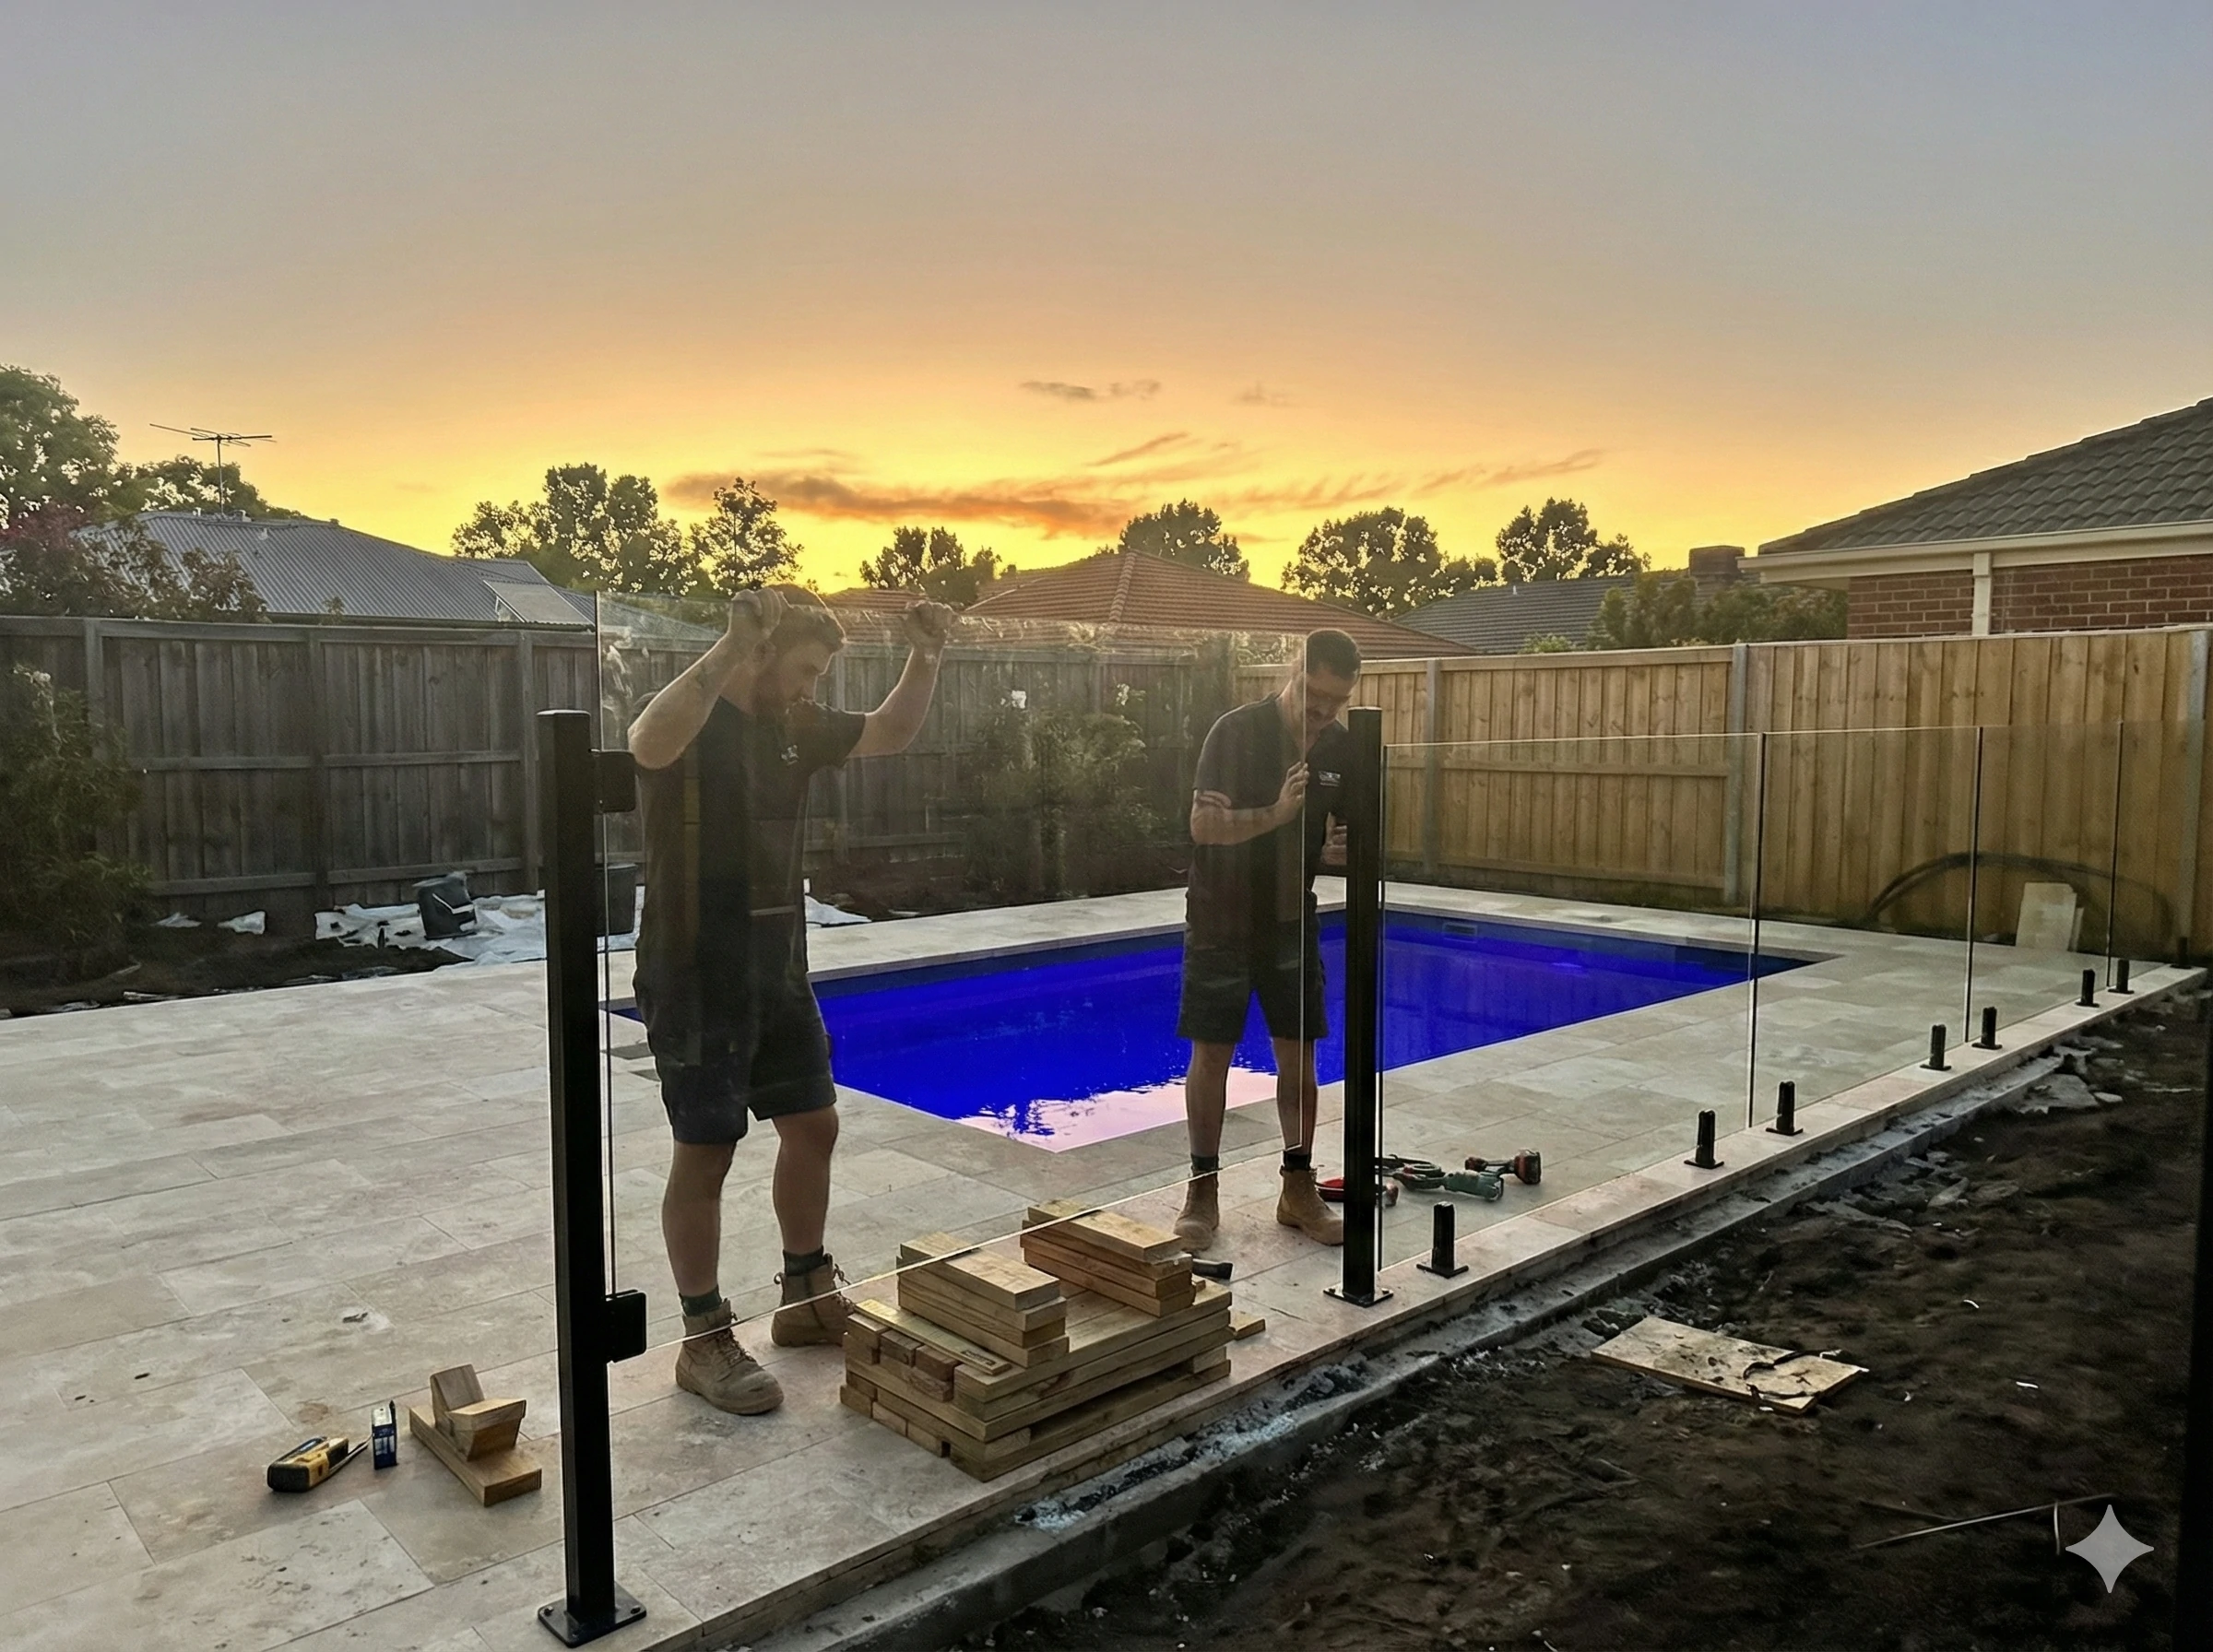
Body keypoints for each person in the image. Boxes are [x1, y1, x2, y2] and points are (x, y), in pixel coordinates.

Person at [628, 586, 955, 1415]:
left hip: (776, 964)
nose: (813, 688)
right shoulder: (696, 714)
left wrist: (927, 655)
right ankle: (702, 1339)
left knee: (814, 1124)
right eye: (806, 670)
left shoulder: (794, 727)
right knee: (706, 1151)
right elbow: (646, 742)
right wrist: (732, 644)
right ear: (764, 654)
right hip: (694, 969)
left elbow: (889, 731)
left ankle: (806, 1296)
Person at [1172, 628, 1362, 1254]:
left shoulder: (1341, 746)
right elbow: (1203, 826)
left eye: (1335, 700)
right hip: (1221, 918)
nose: (1322, 710)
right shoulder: (1237, 732)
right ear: (1293, 671)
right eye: (1313, 693)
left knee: (1299, 1059)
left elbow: (1346, 834)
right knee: (1212, 1056)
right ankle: (1202, 1189)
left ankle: (1297, 1189)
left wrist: (1343, 850)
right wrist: (1277, 814)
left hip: (1289, 919)